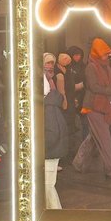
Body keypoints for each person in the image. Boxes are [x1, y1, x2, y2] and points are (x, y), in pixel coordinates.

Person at [72, 38, 111, 179]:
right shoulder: (91, 67)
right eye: (105, 54)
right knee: (104, 139)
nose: (108, 56)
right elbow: (93, 87)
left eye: (108, 54)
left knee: (93, 137)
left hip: (102, 105)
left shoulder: (106, 66)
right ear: (98, 53)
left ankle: (78, 163)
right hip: (93, 106)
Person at [43, 55, 67, 209]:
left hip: (50, 150)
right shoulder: (52, 103)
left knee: (47, 185)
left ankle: (55, 215)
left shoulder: (48, 106)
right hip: (54, 149)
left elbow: (51, 132)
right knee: (48, 185)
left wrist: (42, 149)